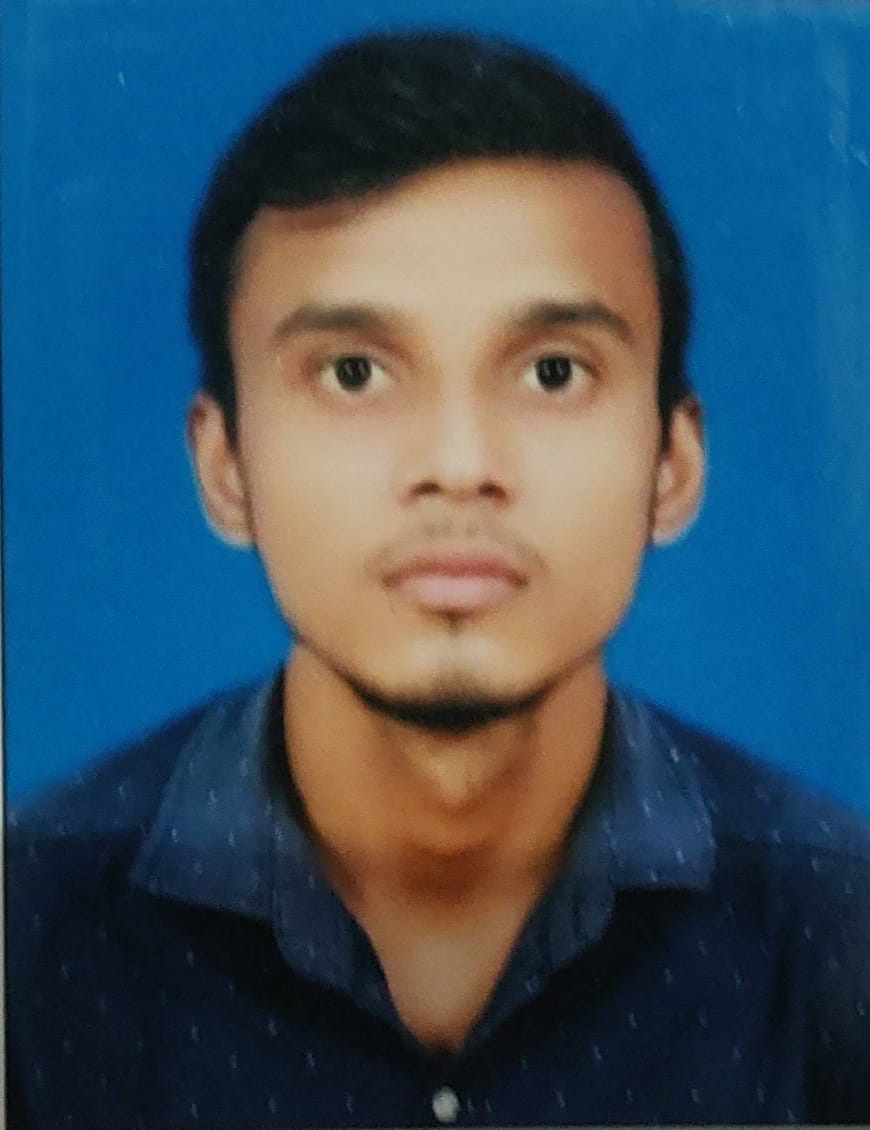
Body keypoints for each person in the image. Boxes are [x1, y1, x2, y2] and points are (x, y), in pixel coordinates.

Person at [6, 29, 870, 1130]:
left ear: (674, 463)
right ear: (224, 467)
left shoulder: (837, 927)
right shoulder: (27, 928)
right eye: (353, 372)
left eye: (553, 372)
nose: (459, 464)